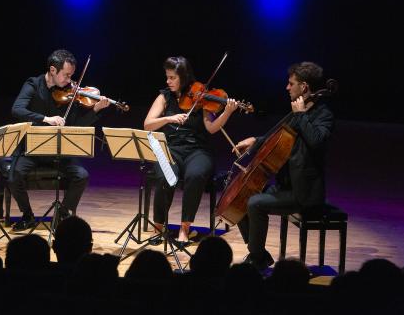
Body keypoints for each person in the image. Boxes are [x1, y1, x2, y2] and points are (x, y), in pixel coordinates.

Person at [235, 61, 335, 270]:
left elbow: (316, 141)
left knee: (254, 203)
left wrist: (300, 116)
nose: (287, 87)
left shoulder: (323, 114)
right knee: (242, 198)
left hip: (304, 193)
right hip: (285, 186)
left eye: (291, 83)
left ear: (304, 87)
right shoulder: (299, 109)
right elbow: (277, 136)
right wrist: (255, 140)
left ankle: (256, 258)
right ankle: (259, 253)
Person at [8, 49, 109, 231]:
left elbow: (76, 123)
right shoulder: (33, 84)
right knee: (14, 176)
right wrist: (45, 119)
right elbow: (17, 109)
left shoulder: (70, 93)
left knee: (81, 175)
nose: (69, 80)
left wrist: (96, 109)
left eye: (71, 75)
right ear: (53, 70)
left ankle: (62, 213)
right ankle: (28, 215)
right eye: (66, 75)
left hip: (58, 150)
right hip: (32, 148)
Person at [144, 56, 238, 243]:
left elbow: (211, 128)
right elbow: (148, 124)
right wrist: (168, 119)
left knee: (195, 176)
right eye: (167, 77)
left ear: (184, 77)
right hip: (171, 147)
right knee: (164, 177)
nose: (168, 81)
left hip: (198, 150)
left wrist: (227, 112)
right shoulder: (164, 96)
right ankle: (158, 227)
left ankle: (184, 229)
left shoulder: (200, 95)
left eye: (172, 78)